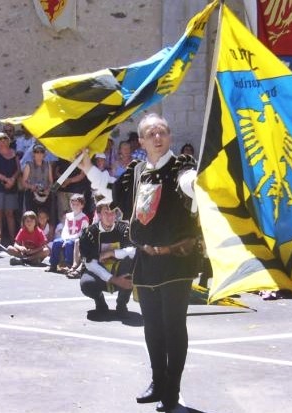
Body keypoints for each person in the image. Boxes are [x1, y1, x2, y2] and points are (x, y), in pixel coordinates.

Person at [79, 114, 198, 412]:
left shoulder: (182, 167)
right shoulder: (136, 171)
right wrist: (87, 168)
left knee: (173, 326)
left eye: (162, 132)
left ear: (169, 137)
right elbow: (111, 192)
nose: (157, 137)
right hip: (145, 258)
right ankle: (158, 381)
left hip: (177, 261)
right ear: (141, 142)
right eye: (150, 133)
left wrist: (198, 183)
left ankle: (172, 388)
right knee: (152, 326)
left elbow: (190, 186)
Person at [79, 199, 135, 316]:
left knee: (132, 266)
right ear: (98, 214)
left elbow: (134, 251)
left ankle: (122, 303)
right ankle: (100, 301)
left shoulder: (125, 229)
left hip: (120, 270)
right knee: (87, 284)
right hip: (99, 275)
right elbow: (90, 263)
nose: (110, 216)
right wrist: (113, 279)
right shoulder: (89, 233)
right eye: (106, 213)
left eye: (113, 212)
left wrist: (112, 253)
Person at [47, 194, 90, 273]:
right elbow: (65, 229)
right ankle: (53, 264)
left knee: (69, 244)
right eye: (73, 204)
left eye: (77, 204)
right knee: (56, 242)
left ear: (82, 205)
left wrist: (69, 239)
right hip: (67, 237)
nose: (74, 206)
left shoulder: (84, 218)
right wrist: (65, 238)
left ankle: (69, 265)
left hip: (77, 239)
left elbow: (81, 233)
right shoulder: (68, 216)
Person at [21, 144, 53, 223]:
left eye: (41, 152)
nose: (39, 154)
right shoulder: (28, 165)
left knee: (46, 217)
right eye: (36, 152)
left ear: (44, 154)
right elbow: (23, 182)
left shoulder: (48, 165)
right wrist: (32, 187)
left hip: (45, 194)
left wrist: (48, 190)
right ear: (33, 154)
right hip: (32, 195)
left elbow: (51, 181)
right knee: (31, 217)